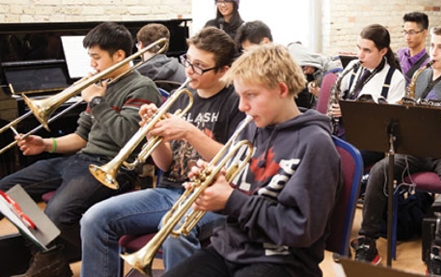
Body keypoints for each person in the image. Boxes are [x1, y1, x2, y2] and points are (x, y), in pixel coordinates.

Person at [161, 44, 341, 277]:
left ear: (282, 89)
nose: (242, 106)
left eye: (251, 95)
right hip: (231, 248)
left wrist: (231, 200)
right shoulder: (250, 128)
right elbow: (237, 194)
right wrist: (213, 185)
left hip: (284, 261)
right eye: (240, 95)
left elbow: (302, 229)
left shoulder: (315, 145)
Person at [79, 27, 245, 276]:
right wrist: (152, 133)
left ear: (224, 70)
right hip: (169, 190)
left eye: (200, 66)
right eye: (188, 60)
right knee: (94, 218)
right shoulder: (182, 95)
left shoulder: (238, 101)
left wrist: (189, 132)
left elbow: (235, 161)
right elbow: (166, 165)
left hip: (210, 199)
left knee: (175, 231)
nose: (189, 70)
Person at [0, 22, 162, 277]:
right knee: (4, 190)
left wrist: (95, 99)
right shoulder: (101, 84)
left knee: (57, 214)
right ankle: (50, 256)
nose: (92, 64)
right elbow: (81, 137)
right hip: (80, 160)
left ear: (120, 55)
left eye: (97, 57)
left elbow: (124, 137)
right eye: (90, 57)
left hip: (112, 167)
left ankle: (73, 253)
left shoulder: (141, 87)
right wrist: (45, 144)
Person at [351, 23, 441, 276]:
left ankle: (439, 251)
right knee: (379, 171)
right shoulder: (420, 78)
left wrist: (437, 120)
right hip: (416, 149)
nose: (434, 52)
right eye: (432, 46)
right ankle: (368, 241)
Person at [329, 24, 406, 167]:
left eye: (367, 50)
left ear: (383, 51)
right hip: (343, 131)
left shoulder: (395, 79)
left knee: (340, 162)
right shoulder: (353, 67)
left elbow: (393, 122)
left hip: (372, 141)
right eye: (359, 48)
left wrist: (352, 113)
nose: (360, 55)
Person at [287, 41, 341, 109]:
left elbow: (339, 99)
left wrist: (321, 94)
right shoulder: (304, 76)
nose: (305, 72)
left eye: (304, 68)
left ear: (309, 59)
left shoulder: (333, 69)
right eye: (301, 70)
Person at [397, 12, 431, 81]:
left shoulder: (428, 65)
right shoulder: (400, 54)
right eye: (405, 32)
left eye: (411, 32)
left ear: (424, 33)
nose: (407, 37)